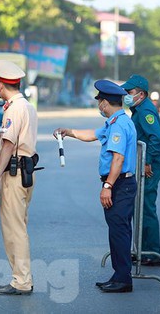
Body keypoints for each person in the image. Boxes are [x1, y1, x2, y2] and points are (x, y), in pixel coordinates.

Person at [53, 80, 137, 293]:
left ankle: (124, 279)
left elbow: (118, 159)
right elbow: (92, 135)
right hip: (119, 184)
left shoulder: (119, 124)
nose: (99, 105)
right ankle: (119, 275)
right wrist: (69, 132)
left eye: (100, 101)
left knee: (119, 232)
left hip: (120, 184)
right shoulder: (114, 122)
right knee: (117, 231)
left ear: (105, 103)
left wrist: (108, 185)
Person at [0, 60, 38, 296]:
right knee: (19, 226)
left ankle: (21, 281)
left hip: (14, 175)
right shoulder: (26, 106)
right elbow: (12, 140)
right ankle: (22, 278)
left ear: (0, 86)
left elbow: (8, 146)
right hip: (25, 171)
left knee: (14, 230)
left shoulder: (14, 109)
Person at [121, 74, 160, 266]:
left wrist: (147, 162)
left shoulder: (146, 110)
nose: (127, 96)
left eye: (129, 92)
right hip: (144, 162)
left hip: (150, 165)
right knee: (140, 206)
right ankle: (141, 249)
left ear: (141, 93)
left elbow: (156, 138)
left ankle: (152, 252)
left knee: (146, 206)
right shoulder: (138, 109)